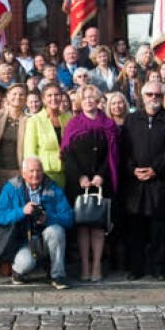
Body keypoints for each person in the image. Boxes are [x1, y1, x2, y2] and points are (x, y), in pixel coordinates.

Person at [122, 81, 165, 281]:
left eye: (157, 95)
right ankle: (137, 268)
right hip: (136, 184)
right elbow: (125, 149)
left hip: (161, 181)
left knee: (159, 229)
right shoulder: (131, 120)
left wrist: (155, 169)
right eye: (149, 94)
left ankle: (159, 268)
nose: (153, 98)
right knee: (136, 228)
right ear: (142, 96)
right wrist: (133, 170)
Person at [61, 84, 120, 283]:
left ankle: (97, 266)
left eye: (92, 97)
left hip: (102, 182)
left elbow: (113, 154)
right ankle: (85, 266)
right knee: (83, 226)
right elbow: (67, 155)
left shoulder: (109, 124)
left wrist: (102, 175)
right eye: (84, 97)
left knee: (98, 226)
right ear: (80, 101)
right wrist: (80, 177)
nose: (88, 100)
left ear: (98, 100)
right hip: (79, 183)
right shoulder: (73, 124)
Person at [0, 155, 73, 288]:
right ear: (23, 173)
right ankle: (17, 271)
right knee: (25, 263)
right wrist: (21, 211)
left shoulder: (53, 188)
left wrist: (49, 218)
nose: (35, 174)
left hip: (45, 237)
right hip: (22, 240)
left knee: (57, 230)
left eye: (39, 170)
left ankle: (58, 276)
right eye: (31, 171)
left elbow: (69, 218)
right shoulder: (12, 188)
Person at [22, 83, 72, 190]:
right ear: (43, 99)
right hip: (45, 174)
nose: (53, 98)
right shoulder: (34, 120)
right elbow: (29, 152)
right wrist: (33, 175)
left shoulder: (69, 118)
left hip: (67, 171)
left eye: (56, 95)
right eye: (49, 95)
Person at [0, 83, 27, 192]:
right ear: (7, 96)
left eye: (21, 94)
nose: (17, 97)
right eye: (14, 94)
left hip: (18, 171)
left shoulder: (29, 120)